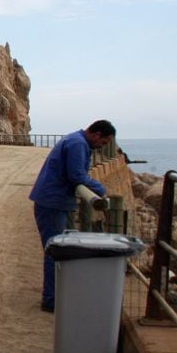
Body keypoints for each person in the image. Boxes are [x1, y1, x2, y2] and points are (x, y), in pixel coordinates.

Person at [29, 119, 116, 313]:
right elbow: (77, 176)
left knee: (56, 250)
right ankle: (51, 300)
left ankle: (54, 296)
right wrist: (101, 189)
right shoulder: (78, 144)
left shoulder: (75, 139)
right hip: (52, 203)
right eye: (103, 142)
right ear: (97, 134)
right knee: (55, 251)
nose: (102, 147)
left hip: (51, 201)